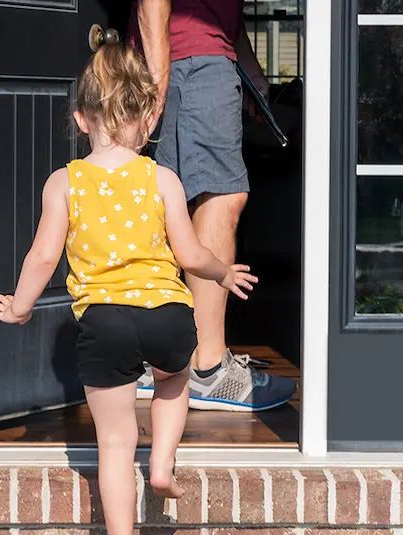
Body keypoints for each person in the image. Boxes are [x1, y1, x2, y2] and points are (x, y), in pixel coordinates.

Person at [0, 31, 256, 535]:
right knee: (174, 383)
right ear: (148, 120)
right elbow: (190, 253)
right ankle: (162, 464)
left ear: (82, 119)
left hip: (105, 320)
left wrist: (20, 306)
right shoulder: (164, 180)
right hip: (169, 314)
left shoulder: (64, 183)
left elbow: (42, 257)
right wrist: (223, 272)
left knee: (113, 441)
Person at [130, 0, 297, 412]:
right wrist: (158, 78)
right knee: (218, 197)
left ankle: (169, 363)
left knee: (187, 198)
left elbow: (217, 10)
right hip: (188, 61)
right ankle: (206, 369)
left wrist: (248, 66)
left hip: (203, 57)